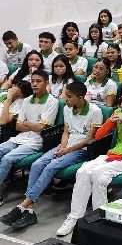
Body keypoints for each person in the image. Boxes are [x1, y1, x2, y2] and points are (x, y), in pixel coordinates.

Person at [0, 81, 103, 230]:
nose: (65, 100)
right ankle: (29, 210)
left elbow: (89, 139)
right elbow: (66, 132)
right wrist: (62, 147)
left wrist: (68, 150)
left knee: (51, 167)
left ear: (80, 98)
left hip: (82, 150)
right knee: (37, 164)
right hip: (65, 146)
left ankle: (24, 205)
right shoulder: (68, 109)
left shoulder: (95, 111)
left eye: (69, 97)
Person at [55, 80, 122, 236]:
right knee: (83, 171)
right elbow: (98, 136)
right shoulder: (119, 112)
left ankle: (101, 216)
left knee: (98, 175)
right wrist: (110, 122)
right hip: (111, 154)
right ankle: (74, 217)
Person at [0, 69, 59, 206]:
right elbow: (18, 127)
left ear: (46, 83)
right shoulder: (26, 101)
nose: (34, 84)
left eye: (38, 81)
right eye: (32, 81)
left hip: (37, 141)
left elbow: (40, 129)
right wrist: (31, 125)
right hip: (21, 137)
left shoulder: (52, 102)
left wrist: (25, 123)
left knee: (8, 158)